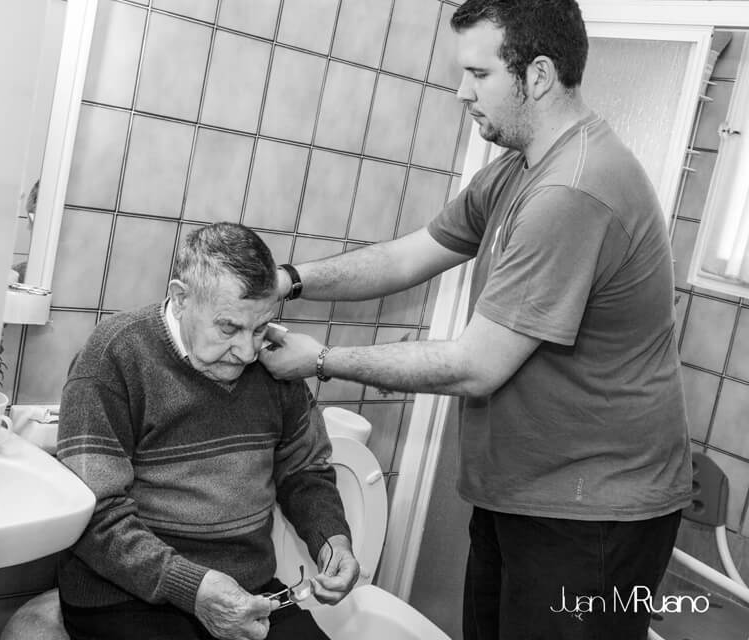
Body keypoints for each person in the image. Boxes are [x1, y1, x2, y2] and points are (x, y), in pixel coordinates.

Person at [259, 1, 692, 638]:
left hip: (594, 513)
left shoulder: (572, 190)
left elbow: (473, 366)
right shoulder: (519, 168)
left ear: (538, 75)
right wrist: (289, 280)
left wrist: (320, 360)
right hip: (525, 492)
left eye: (479, 74)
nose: (462, 91)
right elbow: (408, 256)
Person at [46, 222, 358, 640]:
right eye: (229, 328)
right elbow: (94, 512)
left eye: (260, 328)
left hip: (247, 585)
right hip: (123, 593)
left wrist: (332, 539)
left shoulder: (276, 363)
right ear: (181, 299)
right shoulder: (114, 356)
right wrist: (191, 586)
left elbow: (304, 472)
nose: (247, 352)